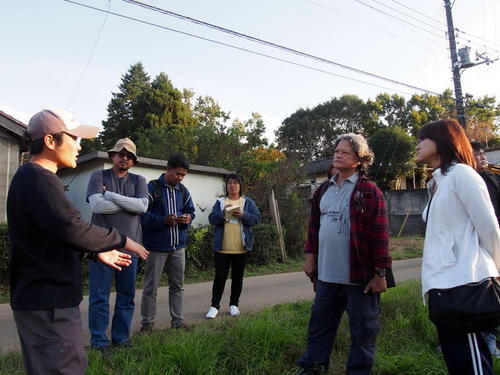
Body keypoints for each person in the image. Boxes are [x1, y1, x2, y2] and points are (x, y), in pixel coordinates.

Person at [7, 109, 149, 375]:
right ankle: (100, 340)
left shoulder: (33, 178)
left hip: (43, 301)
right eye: (74, 138)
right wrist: (119, 240)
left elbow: (54, 235)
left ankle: (120, 338)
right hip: (48, 305)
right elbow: (72, 227)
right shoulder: (39, 179)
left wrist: (96, 253)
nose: (80, 145)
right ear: (50, 141)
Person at [297, 133, 392, 375]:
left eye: (344, 152)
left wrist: (380, 272)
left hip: (360, 278)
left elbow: (380, 235)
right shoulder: (323, 190)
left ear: (359, 160)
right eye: (336, 151)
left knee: (363, 333)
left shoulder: (369, 192)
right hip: (327, 277)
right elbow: (314, 228)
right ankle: (313, 369)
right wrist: (310, 258)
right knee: (318, 328)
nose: (337, 155)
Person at [417, 120, 500, 375]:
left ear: (442, 140)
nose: (418, 145)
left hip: (466, 284)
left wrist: (497, 270)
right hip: (443, 287)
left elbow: (489, 229)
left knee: (473, 364)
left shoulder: (463, 174)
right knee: (457, 363)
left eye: (423, 139)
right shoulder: (438, 181)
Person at [86, 138, 148, 351]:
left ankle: (121, 339)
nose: (125, 157)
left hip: (129, 250)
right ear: (112, 156)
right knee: (99, 297)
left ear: (133, 161)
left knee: (126, 297)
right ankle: (99, 342)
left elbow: (142, 206)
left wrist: (110, 195)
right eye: (121, 153)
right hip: (101, 249)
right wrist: (129, 205)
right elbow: (97, 205)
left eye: (129, 155)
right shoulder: (98, 176)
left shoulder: (139, 180)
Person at [140, 154, 195, 332]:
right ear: (168, 169)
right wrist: (162, 220)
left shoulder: (183, 190)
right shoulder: (152, 187)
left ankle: (178, 322)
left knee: (178, 287)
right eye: (178, 174)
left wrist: (188, 218)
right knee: (151, 288)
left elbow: (190, 211)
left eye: (183, 175)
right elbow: (141, 215)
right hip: (156, 247)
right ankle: (147, 325)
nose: (180, 178)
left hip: (178, 247)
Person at [205, 174, 261, 319]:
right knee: (220, 277)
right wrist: (223, 213)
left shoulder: (247, 202)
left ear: (240, 186)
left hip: (241, 248)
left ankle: (234, 305)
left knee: (237, 277)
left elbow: (257, 219)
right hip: (222, 248)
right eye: (230, 183)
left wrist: (244, 215)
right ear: (226, 186)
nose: (232, 186)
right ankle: (214, 306)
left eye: (236, 183)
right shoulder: (220, 201)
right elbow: (211, 219)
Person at [470, 141, 500, 359]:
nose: (482, 158)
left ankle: (490, 339)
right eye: (476, 154)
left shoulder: (493, 178)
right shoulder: (465, 180)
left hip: (494, 243)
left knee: (492, 294)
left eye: (483, 154)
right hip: (473, 249)